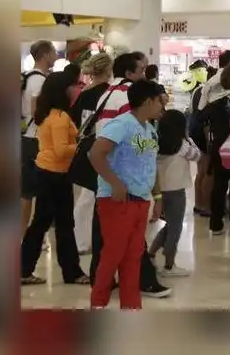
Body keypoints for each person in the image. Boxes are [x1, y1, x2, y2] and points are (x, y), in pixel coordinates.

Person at [86, 52, 170, 299]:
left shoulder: (149, 129)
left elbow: (150, 162)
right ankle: (99, 304)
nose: (162, 107)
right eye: (159, 102)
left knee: (133, 258)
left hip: (140, 200)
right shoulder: (121, 124)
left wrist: (157, 195)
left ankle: (131, 308)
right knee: (112, 256)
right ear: (147, 101)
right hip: (117, 201)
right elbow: (95, 154)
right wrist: (116, 184)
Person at [20, 72, 89, 286]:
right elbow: (61, 151)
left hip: (49, 173)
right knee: (59, 225)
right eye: (73, 86)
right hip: (55, 175)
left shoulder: (49, 114)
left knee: (45, 224)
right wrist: (81, 146)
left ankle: (26, 269)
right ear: (63, 90)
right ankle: (71, 272)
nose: (76, 90)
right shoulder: (60, 117)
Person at [148, 110, 201, 277]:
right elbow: (197, 156)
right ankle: (169, 266)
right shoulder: (183, 145)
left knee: (170, 225)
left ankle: (150, 254)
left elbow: (140, 149)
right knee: (175, 228)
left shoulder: (154, 141)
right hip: (177, 191)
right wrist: (188, 138)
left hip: (159, 191)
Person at [72, 52, 113, 253]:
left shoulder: (84, 93)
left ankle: (82, 239)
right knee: (91, 197)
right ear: (108, 70)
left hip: (85, 148)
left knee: (87, 196)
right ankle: (85, 240)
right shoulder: (108, 93)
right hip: (102, 148)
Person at [195, 51, 230, 216]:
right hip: (227, 143)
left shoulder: (212, 89)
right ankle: (218, 212)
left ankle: (211, 212)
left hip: (216, 141)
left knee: (215, 177)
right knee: (223, 179)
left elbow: (200, 114)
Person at [21, 40, 57, 234]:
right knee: (39, 191)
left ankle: (23, 233)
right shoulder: (40, 80)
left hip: (26, 136)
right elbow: (37, 110)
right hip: (36, 139)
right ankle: (31, 233)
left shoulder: (26, 76)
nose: (56, 56)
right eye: (53, 52)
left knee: (26, 192)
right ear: (45, 55)